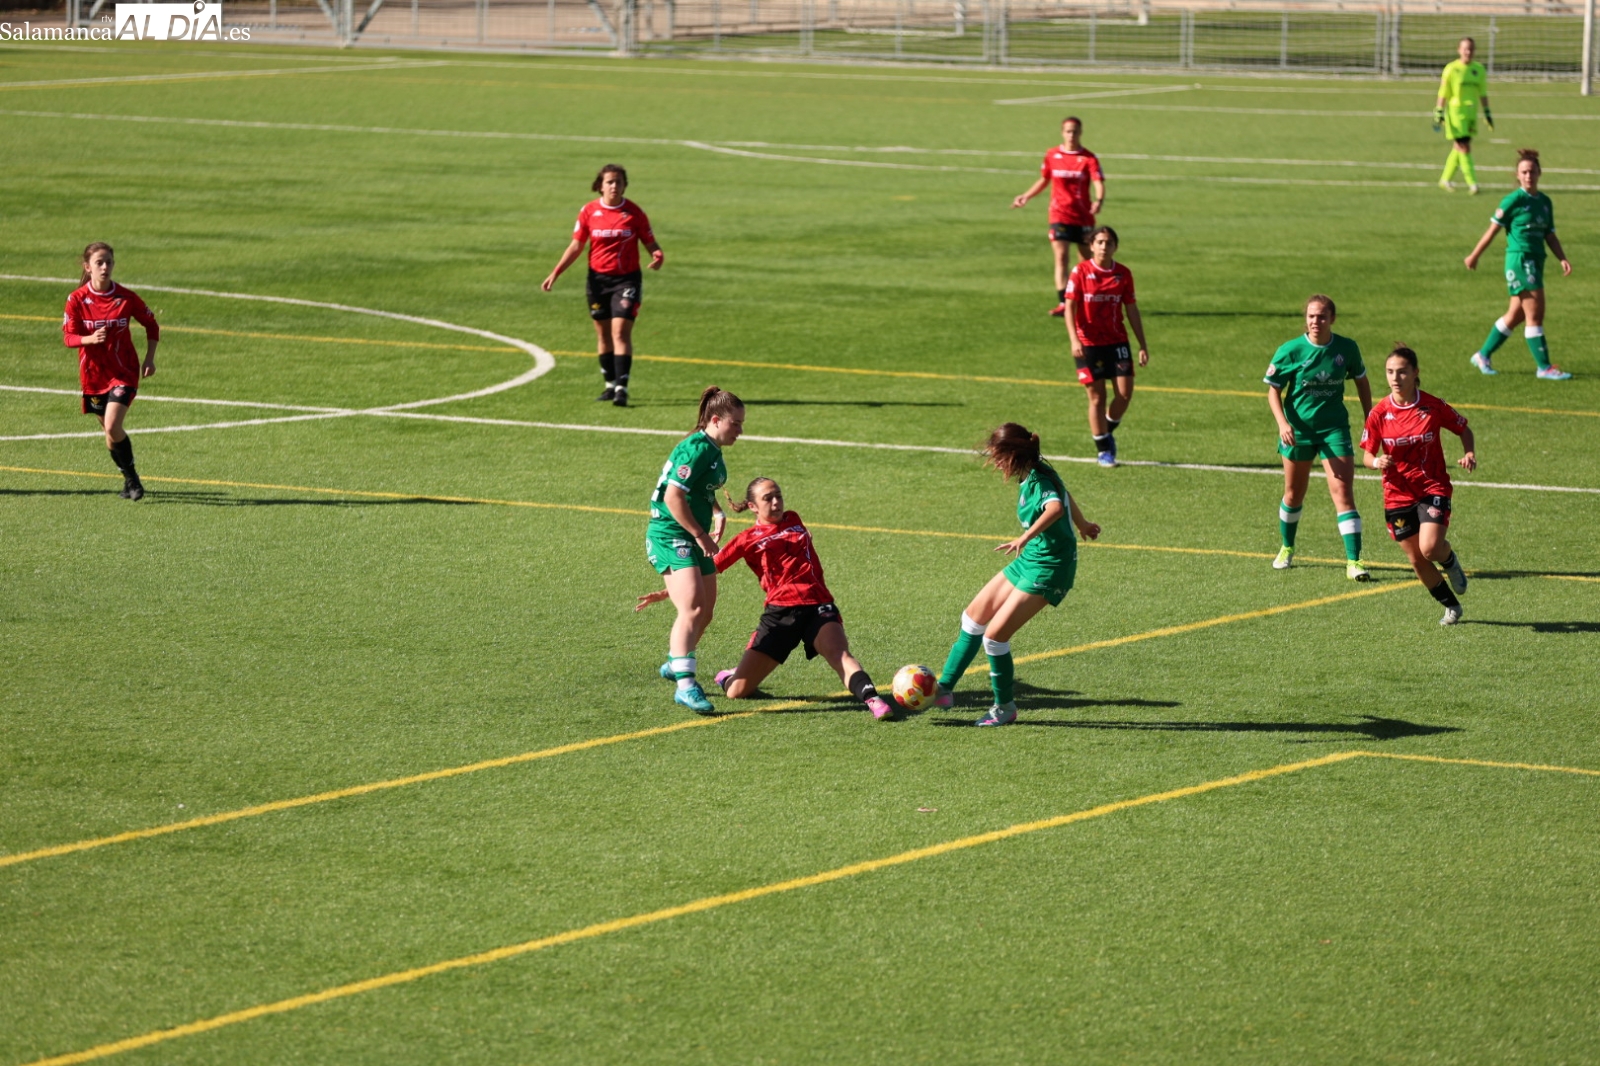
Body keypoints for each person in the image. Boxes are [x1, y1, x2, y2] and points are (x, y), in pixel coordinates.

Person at [637, 478, 895, 721]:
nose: (776, 502)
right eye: (768, 498)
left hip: (818, 605)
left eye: (778, 496)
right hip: (779, 615)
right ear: (752, 506)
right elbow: (709, 567)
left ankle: (873, 700)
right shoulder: (746, 540)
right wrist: (670, 590)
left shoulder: (793, 519)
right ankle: (729, 677)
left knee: (841, 656)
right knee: (737, 692)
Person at [931, 424, 1100, 726]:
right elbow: (1064, 494)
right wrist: (1084, 524)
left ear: (1015, 454)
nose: (995, 463)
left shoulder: (1039, 478)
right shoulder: (1037, 474)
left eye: (998, 457)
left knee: (995, 637)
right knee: (973, 617)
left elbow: (1054, 508)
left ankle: (1004, 708)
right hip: (1032, 559)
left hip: (1051, 567)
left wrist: (1024, 537)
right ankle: (944, 689)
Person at [1359, 346, 1476, 626]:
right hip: (1396, 495)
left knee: (1430, 548)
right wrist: (1376, 463)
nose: (1395, 377)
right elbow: (1366, 454)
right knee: (1416, 559)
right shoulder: (1379, 413)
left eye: (1402, 371)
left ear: (1415, 373)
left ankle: (1449, 561)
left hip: (1432, 486)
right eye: (1390, 372)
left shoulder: (1432, 406)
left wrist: (1469, 452)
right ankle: (1451, 606)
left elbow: (1463, 428)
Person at [645, 387, 744, 714]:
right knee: (692, 608)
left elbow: (700, 488)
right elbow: (673, 497)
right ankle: (685, 685)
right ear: (715, 420)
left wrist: (716, 512)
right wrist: (701, 535)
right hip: (671, 533)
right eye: (736, 424)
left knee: (706, 610)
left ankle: (677, 660)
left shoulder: (712, 449)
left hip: (692, 533)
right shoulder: (696, 449)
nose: (740, 431)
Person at [1265, 295, 1374, 579]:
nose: (1316, 322)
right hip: (1298, 432)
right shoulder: (1290, 351)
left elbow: (1361, 380)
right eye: (1312, 316)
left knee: (1344, 493)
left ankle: (1354, 562)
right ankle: (1287, 547)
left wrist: (1370, 418)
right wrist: (1282, 423)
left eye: (1322, 316)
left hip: (1334, 430)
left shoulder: (1346, 349)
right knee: (1293, 493)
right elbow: (1273, 390)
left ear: (1332, 319)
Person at [541, 164, 664, 407]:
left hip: (627, 280)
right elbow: (576, 245)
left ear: (625, 185)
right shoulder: (588, 212)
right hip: (597, 281)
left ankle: (622, 387)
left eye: (619, 182)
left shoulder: (633, 212)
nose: (614, 186)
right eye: (609, 182)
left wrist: (657, 254)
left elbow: (649, 241)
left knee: (620, 332)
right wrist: (556, 272)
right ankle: (609, 384)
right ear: (600, 185)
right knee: (603, 333)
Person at [1465, 149, 1574, 380]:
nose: (1528, 176)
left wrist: (1562, 257)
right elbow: (1492, 230)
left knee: (1516, 314)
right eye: (1524, 172)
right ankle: (1544, 367)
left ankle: (1482, 355)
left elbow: (1550, 235)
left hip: (1537, 261)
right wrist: (1474, 255)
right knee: (1535, 313)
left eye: (1532, 171)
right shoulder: (1514, 200)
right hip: (1520, 261)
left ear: (1539, 173)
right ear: (1517, 175)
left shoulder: (1545, 202)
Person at [61, 242, 159, 500]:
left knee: (114, 425)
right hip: (94, 376)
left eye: (109, 262)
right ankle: (127, 479)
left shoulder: (126, 297)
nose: (105, 267)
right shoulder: (77, 300)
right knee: (109, 432)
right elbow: (69, 338)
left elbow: (151, 325)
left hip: (124, 371)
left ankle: (134, 481)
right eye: (99, 263)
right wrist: (89, 339)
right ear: (88, 267)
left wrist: (150, 359)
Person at [1063, 226, 1148, 467]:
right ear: (1091, 245)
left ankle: (1106, 429)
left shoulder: (1123, 274)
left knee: (1124, 394)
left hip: (1117, 341)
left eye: (1109, 242)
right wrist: (1074, 339)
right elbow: (1069, 307)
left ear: (1115, 247)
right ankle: (1103, 450)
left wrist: (1142, 344)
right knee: (1097, 397)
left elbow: (1131, 308)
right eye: (1099, 241)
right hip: (1088, 344)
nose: (1104, 246)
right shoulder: (1080, 271)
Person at [1011, 116, 1105, 316]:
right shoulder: (1052, 155)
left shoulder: (1089, 158)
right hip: (1059, 214)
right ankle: (1064, 303)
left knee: (1086, 263)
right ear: (1062, 132)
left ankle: (1087, 300)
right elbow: (1044, 179)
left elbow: (1098, 181)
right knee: (1061, 258)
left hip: (1083, 217)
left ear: (1081, 133)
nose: (1072, 135)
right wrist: (1026, 196)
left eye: (1075, 131)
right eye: (1068, 131)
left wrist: (1099, 199)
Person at [1434, 37, 1492, 194]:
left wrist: (1487, 112)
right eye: (1465, 48)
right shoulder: (1451, 69)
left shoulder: (1478, 69)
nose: (1468, 52)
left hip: (1471, 114)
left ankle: (1445, 180)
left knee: (1459, 147)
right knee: (1464, 147)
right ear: (1459, 50)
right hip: (1455, 113)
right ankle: (1472, 183)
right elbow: (1443, 92)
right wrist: (1439, 110)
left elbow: (1483, 92)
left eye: (1471, 49)